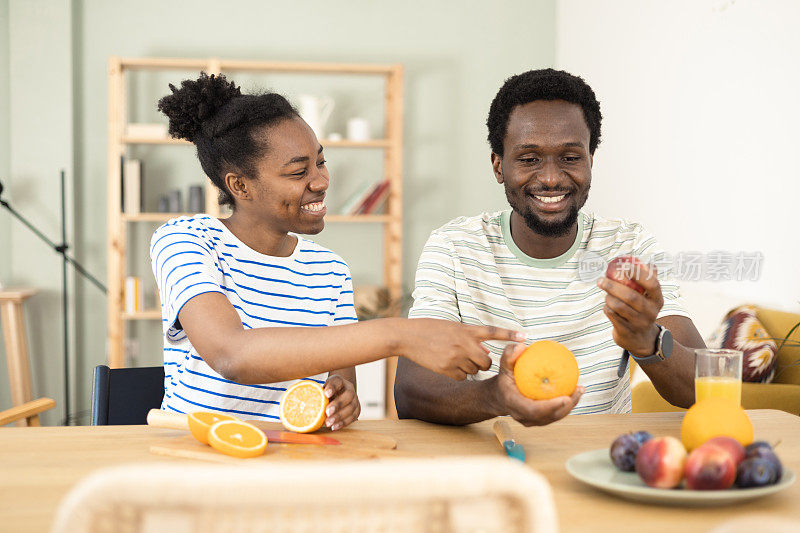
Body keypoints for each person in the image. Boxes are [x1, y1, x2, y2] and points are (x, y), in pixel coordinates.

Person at [151, 73, 524, 429]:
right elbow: (232, 355)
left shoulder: (328, 269)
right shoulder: (186, 241)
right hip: (199, 455)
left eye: (321, 161)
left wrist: (342, 399)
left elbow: (341, 379)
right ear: (240, 186)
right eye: (299, 172)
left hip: (293, 459)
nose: (321, 180)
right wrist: (401, 335)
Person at [395, 68, 705, 426]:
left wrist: (646, 340)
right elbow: (410, 390)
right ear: (499, 165)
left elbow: (702, 388)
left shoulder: (629, 246)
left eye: (570, 157)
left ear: (591, 160)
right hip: (493, 463)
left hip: (602, 463)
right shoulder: (454, 247)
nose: (551, 178)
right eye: (529, 159)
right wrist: (496, 396)